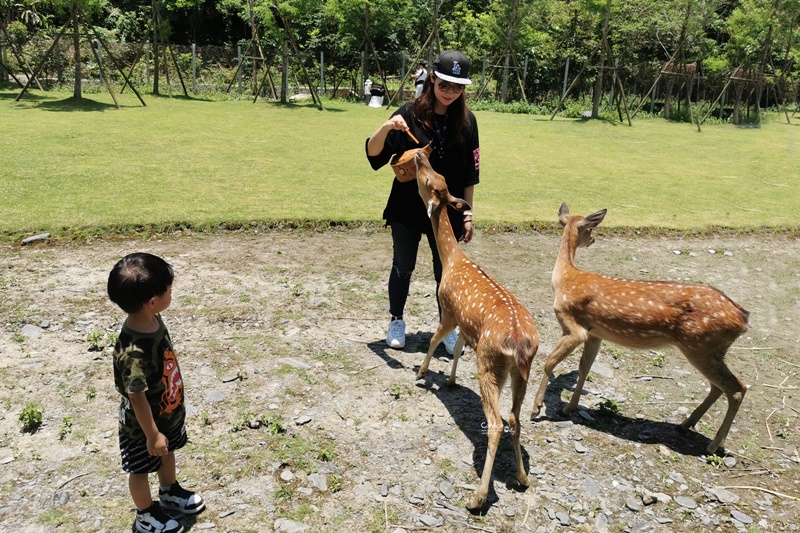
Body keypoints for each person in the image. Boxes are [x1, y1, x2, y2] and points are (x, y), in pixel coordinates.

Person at [366, 50, 479, 354]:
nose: (450, 92)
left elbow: (471, 173)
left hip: (445, 210)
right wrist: (387, 126)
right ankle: (396, 320)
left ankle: (448, 326)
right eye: (445, 84)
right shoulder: (409, 113)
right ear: (432, 79)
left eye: (457, 87)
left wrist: (467, 215)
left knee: (446, 271)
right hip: (407, 207)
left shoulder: (468, 122)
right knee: (403, 266)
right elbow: (374, 154)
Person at [108, 252, 205, 533]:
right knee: (139, 469)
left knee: (168, 451)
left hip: (166, 415)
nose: (171, 292)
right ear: (152, 301)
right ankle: (145, 514)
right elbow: (136, 396)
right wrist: (152, 434)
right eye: (168, 289)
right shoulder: (133, 353)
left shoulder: (152, 319)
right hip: (142, 428)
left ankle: (169, 491)